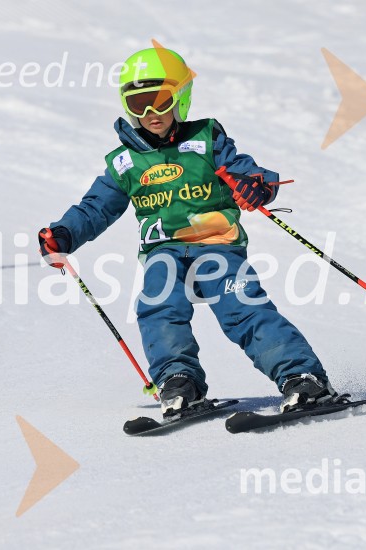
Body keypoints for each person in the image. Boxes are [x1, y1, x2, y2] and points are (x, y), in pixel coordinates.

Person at [40, 47, 337, 417]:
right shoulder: (124, 162)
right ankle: (179, 382)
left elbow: (244, 169)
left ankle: (302, 377)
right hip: (163, 252)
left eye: (159, 101)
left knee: (242, 308)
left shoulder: (207, 140)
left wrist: (256, 184)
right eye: (138, 104)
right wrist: (65, 234)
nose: (150, 114)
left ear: (180, 97)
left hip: (217, 245)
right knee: (158, 307)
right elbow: (96, 207)